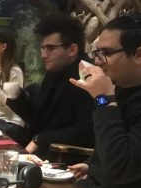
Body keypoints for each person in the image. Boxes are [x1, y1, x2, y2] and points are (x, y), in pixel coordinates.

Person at [8, 13, 141, 188]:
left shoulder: (103, 90)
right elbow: (118, 146)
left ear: (138, 54)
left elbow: (122, 170)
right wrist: (92, 166)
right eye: (98, 52)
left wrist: (104, 99)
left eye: (107, 53)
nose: (98, 61)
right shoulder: (120, 91)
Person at [6, 14, 95, 158]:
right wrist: (16, 98)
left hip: (69, 162)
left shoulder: (87, 77)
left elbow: (87, 131)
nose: (43, 55)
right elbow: (38, 120)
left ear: (72, 50)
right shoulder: (53, 74)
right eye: (42, 48)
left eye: (50, 48)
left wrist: (42, 139)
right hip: (44, 154)